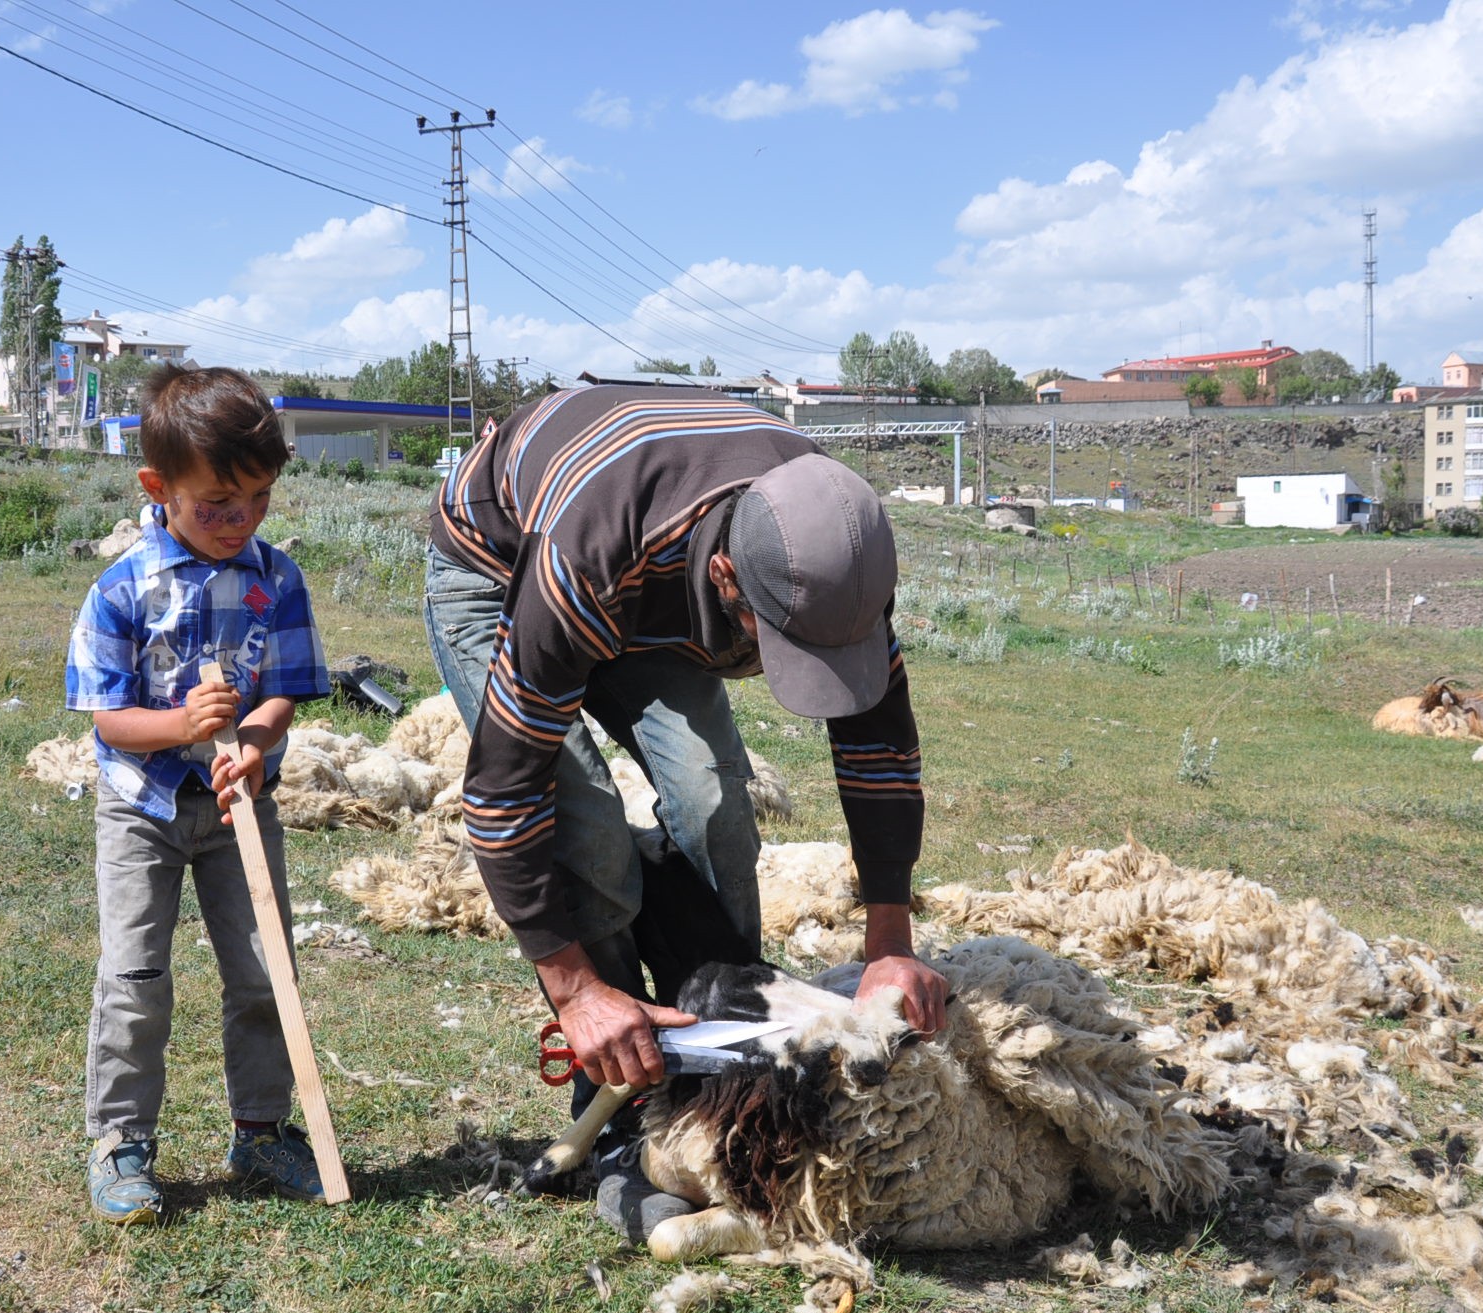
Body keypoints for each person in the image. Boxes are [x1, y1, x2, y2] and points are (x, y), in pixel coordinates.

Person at [422, 384, 949, 1238]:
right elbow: (507, 789)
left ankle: (725, 1069)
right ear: (726, 576)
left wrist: (890, 946)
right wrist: (577, 991)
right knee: (584, 821)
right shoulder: (586, 558)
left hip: (659, 578)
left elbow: (878, 748)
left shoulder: (837, 550)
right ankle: (622, 1107)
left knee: (712, 798)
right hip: (507, 565)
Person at [65, 366, 332, 1225]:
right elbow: (110, 724)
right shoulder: (120, 591)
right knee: (136, 975)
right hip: (142, 806)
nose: (238, 520)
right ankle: (121, 1143)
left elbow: (286, 686)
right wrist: (181, 725)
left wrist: (252, 741)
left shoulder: (278, 579)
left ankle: (261, 1130)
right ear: (158, 489)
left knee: (262, 970)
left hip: (237, 806)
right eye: (215, 504)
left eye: (255, 500)